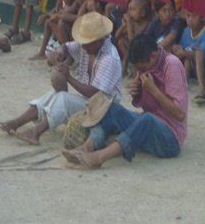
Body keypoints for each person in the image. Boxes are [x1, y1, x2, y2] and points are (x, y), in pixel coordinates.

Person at [62, 33, 188, 169]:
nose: (140, 72)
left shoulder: (172, 65)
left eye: (142, 68)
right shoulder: (146, 65)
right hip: (149, 125)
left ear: (153, 56)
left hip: (170, 138)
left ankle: (99, 157)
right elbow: (145, 105)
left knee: (147, 120)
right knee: (112, 109)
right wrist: (138, 93)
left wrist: (154, 91)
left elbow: (180, 114)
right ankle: (86, 148)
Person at [0, 11, 122, 146]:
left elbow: (94, 93)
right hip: (90, 103)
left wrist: (68, 77)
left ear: (98, 41)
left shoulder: (109, 59)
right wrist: (58, 53)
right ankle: (17, 122)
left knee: (63, 99)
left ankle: (36, 133)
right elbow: (67, 47)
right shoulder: (89, 46)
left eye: (86, 43)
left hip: (104, 110)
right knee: (53, 95)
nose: (83, 46)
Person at [172, 10, 205, 105]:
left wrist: (184, 53)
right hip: (193, 67)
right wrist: (177, 48)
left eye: (194, 16)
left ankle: (202, 90)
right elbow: (183, 47)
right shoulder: (186, 30)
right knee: (182, 54)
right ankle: (183, 82)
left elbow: (202, 53)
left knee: (196, 52)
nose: (190, 19)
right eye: (188, 16)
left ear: (202, 17)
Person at [115, 0, 152, 76]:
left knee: (131, 46)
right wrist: (123, 25)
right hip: (133, 51)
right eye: (130, 9)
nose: (130, 12)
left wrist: (128, 22)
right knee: (121, 41)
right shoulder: (133, 22)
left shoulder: (146, 24)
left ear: (142, 13)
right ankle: (131, 65)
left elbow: (133, 40)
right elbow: (117, 36)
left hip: (143, 53)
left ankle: (131, 66)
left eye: (133, 9)